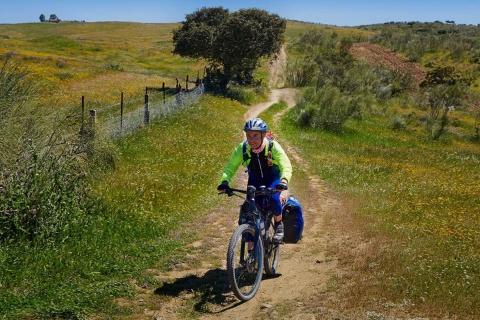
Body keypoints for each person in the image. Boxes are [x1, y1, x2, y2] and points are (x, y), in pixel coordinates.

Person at [217, 118, 292, 242]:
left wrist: (283, 181)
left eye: (256, 135)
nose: (251, 139)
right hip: (255, 181)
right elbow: (230, 167)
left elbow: (286, 165)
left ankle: (279, 224)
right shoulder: (243, 148)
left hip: (272, 179)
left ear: (263, 135)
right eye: (249, 135)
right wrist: (225, 182)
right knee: (250, 212)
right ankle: (252, 254)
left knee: (273, 199)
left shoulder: (273, 147)